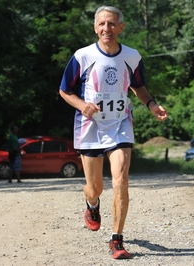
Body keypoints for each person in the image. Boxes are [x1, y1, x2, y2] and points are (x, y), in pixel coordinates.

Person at [59, 5, 169, 259]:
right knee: (95, 187)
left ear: (121, 27)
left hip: (120, 124)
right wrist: (82, 105)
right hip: (91, 127)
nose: (106, 29)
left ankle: (116, 239)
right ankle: (91, 203)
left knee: (120, 180)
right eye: (102, 24)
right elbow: (65, 90)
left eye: (111, 24)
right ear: (95, 28)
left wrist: (152, 105)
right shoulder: (82, 56)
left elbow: (139, 88)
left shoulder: (132, 56)